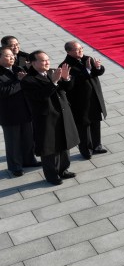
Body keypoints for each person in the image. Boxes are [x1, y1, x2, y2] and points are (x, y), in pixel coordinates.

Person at [20, 50, 79, 185]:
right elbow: (39, 96)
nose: (47, 62)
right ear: (33, 63)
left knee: (64, 143)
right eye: (43, 60)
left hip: (62, 113)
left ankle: (63, 169)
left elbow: (67, 88)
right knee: (50, 148)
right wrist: (53, 82)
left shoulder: (51, 72)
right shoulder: (28, 80)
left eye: (47, 59)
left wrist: (66, 78)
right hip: (46, 118)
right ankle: (52, 175)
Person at [61, 41, 108, 159]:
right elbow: (69, 85)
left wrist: (98, 67)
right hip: (80, 102)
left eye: (81, 48)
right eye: (77, 49)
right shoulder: (66, 66)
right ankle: (86, 150)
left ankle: (97, 145)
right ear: (69, 52)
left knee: (96, 122)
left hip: (94, 97)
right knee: (83, 127)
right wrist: (87, 71)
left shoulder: (88, 58)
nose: (81, 50)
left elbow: (97, 73)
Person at [1, 47, 40, 177]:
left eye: (12, 55)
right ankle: (15, 166)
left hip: (26, 110)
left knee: (28, 139)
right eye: (8, 56)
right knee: (13, 142)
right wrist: (19, 81)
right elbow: (4, 91)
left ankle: (29, 160)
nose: (12, 57)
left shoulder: (18, 69)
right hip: (9, 114)